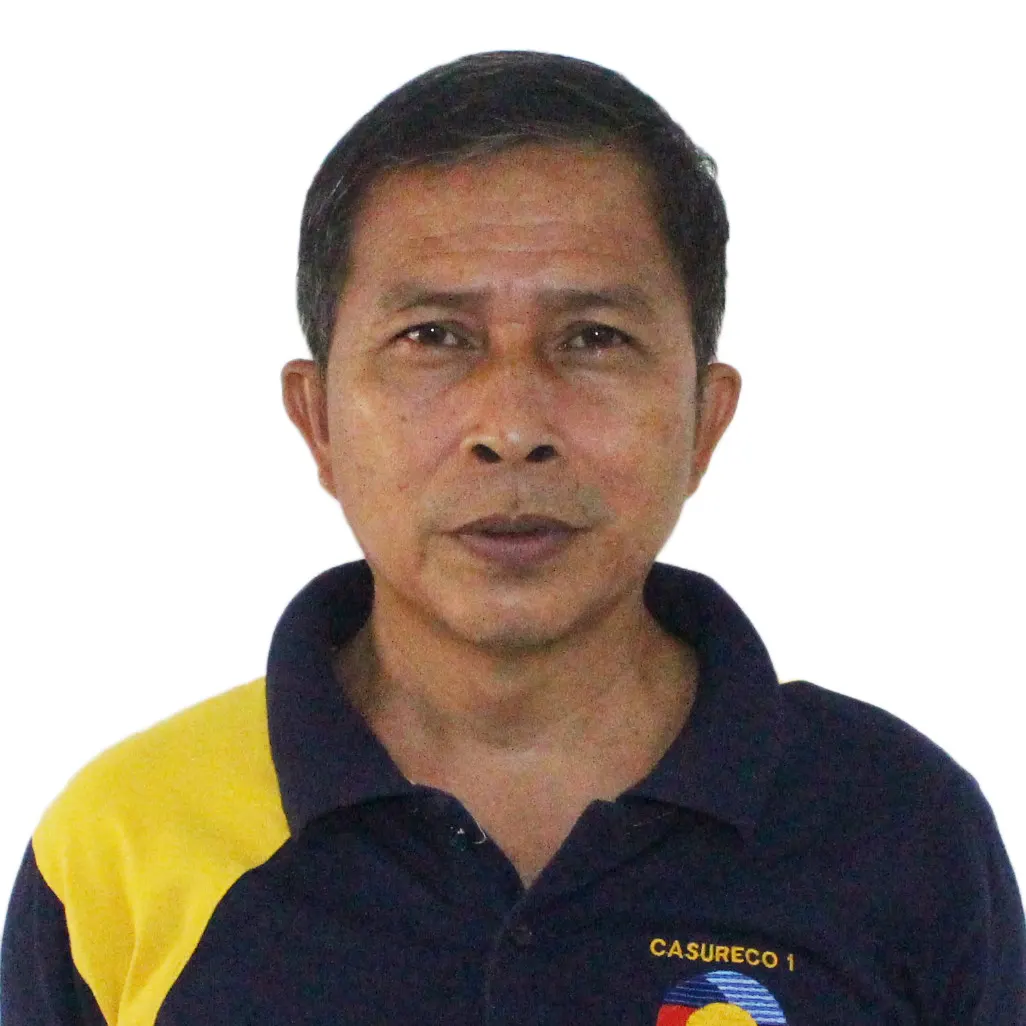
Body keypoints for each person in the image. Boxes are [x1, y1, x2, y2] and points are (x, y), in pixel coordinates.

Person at [2, 49, 1023, 1026]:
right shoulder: (122, 843)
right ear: (317, 422)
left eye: (594, 338)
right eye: (434, 337)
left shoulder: (899, 829)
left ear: (705, 420)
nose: (513, 426)